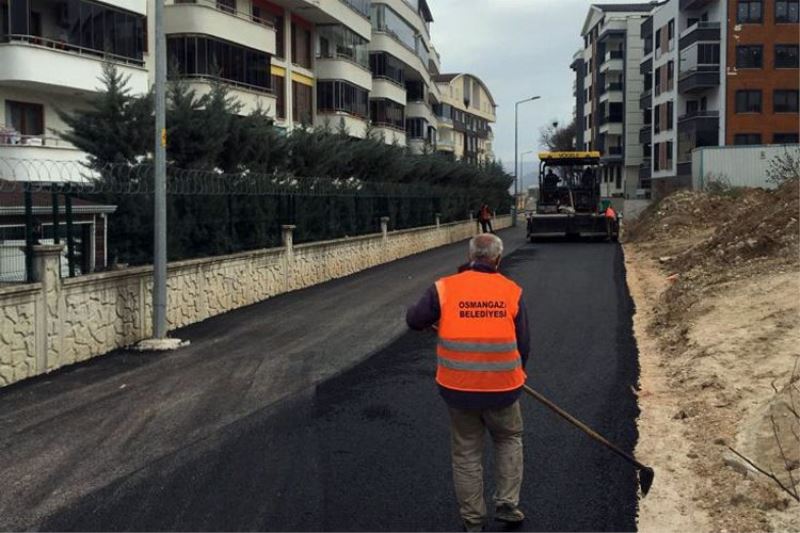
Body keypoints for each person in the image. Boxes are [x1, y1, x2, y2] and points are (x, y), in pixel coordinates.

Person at [406, 234, 530, 532]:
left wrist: (435, 320)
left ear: (470, 256)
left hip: (458, 390)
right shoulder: (511, 291)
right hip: (503, 390)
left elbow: (415, 319)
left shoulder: (445, 288)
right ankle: (507, 505)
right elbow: (523, 344)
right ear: (497, 260)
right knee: (509, 439)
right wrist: (516, 375)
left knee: (466, 452)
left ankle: (473, 521)